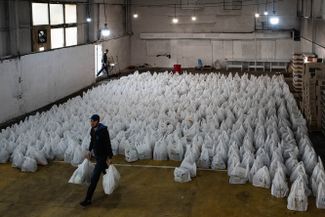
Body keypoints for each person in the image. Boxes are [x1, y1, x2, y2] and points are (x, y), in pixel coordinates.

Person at [80, 114, 113, 207]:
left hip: (102, 157)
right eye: (91, 121)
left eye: (93, 121)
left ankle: (88, 199)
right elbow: (92, 141)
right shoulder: (92, 130)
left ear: (97, 121)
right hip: (97, 156)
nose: (91, 123)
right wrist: (89, 151)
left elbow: (108, 143)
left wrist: (109, 157)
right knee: (106, 172)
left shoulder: (103, 130)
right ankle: (113, 183)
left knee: (94, 179)